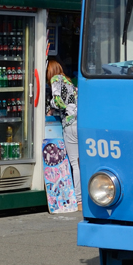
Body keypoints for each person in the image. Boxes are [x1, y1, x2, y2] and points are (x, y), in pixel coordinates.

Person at [46, 58, 80, 208]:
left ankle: (78, 199)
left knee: (74, 163)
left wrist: (50, 105)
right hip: (79, 122)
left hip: (69, 124)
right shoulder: (68, 81)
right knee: (80, 162)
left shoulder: (55, 79)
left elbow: (58, 101)